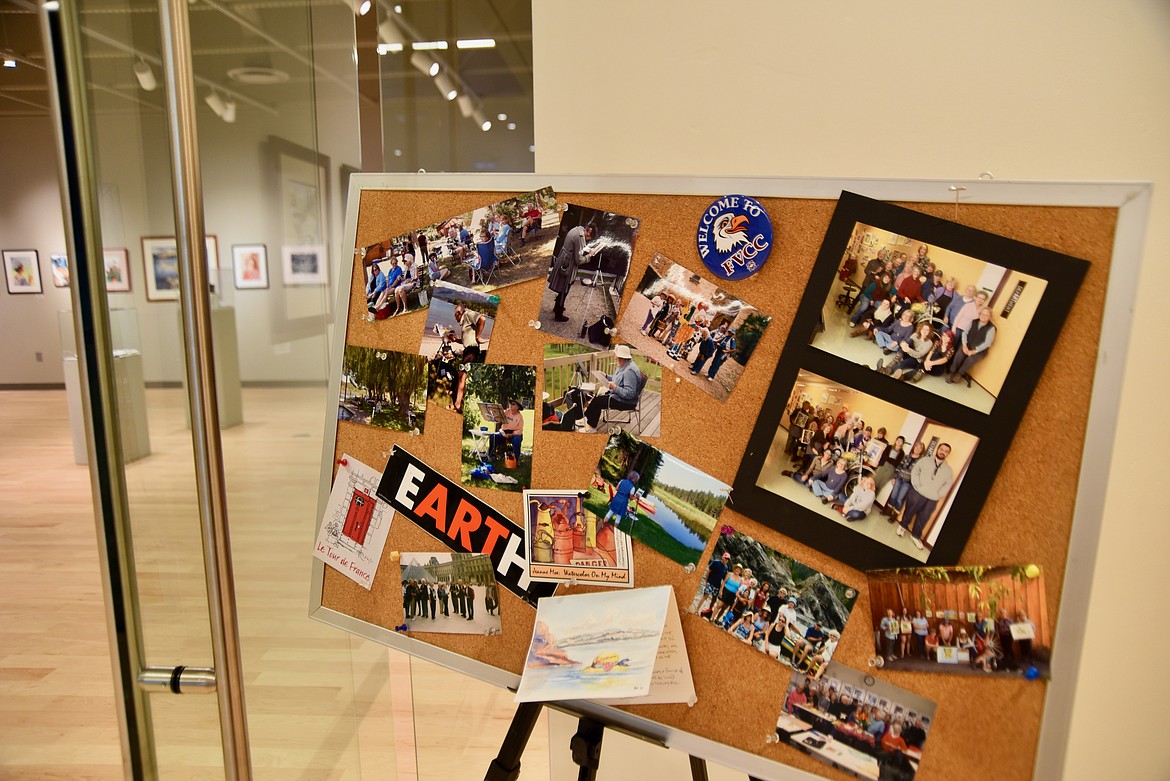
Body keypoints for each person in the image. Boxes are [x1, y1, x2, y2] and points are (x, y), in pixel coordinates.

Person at [898, 443, 955, 550]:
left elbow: (948, 484)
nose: (943, 452)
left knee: (924, 518)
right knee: (909, 510)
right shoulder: (925, 460)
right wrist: (917, 485)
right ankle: (902, 527)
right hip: (918, 492)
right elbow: (915, 472)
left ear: (948, 454)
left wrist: (939, 494)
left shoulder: (948, 470)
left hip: (932, 498)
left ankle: (915, 536)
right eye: (941, 449)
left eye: (946, 451)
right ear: (937, 449)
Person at [577, 344, 645, 433]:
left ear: (622, 358)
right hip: (619, 396)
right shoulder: (624, 366)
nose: (615, 359)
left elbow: (630, 394)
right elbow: (618, 379)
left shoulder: (630, 371)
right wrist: (606, 376)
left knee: (598, 401)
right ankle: (587, 419)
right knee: (597, 398)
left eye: (616, 357)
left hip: (626, 402)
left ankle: (592, 427)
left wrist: (615, 388)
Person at [547, 222, 598, 322]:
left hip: (564, 259)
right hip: (568, 265)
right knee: (564, 289)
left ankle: (557, 307)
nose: (588, 240)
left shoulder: (577, 229)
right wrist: (589, 256)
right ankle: (558, 313)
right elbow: (578, 260)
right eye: (589, 238)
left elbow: (577, 247)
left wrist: (586, 249)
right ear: (589, 232)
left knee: (562, 287)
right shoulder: (580, 237)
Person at [451, 303, 487, 414]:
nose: (454, 317)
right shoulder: (464, 323)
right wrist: (456, 340)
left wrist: (478, 336)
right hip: (468, 351)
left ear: (458, 313)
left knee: (462, 376)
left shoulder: (467, 314)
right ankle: (458, 402)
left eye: (454, 315)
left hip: (472, 351)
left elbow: (482, 318)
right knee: (461, 375)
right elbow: (465, 340)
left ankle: (457, 405)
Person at [947, 307, 997, 384]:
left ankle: (959, 373)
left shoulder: (991, 328)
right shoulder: (973, 321)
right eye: (982, 314)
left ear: (990, 317)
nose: (983, 316)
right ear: (979, 314)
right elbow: (965, 333)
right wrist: (964, 345)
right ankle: (952, 372)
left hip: (980, 350)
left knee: (970, 359)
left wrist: (975, 351)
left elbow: (987, 343)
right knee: (959, 355)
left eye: (986, 315)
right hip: (967, 345)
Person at [884, 441, 924, 521]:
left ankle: (894, 516)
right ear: (914, 447)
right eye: (916, 446)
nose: (917, 448)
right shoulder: (907, 456)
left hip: (908, 483)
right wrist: (894, 477)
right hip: (899, 478)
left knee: (900, 499)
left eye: (920, 448)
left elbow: (920, 474)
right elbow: (899, 466)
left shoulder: (921, 461)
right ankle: (888, 511)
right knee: (893, 495)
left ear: (922, 450)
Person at [695, 551, 731, 617]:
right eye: (726, 558)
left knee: (714, 600)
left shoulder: (726, 568)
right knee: (705, 596)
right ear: (722, 557)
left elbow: (724, 579)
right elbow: (708, 571)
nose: (726, 560)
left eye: (728, 559)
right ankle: (696, 610)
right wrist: (706, 582)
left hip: (717, 586)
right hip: (710, 583)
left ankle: (709, 610)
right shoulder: (716, 562)